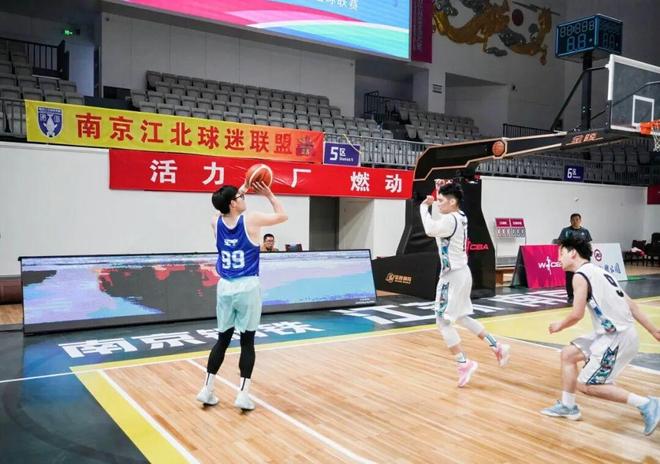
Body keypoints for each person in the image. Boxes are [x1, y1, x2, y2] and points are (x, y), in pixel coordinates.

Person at [540, 237, 659, 435]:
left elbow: (576, 314)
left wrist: (559, 325)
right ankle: (568, 406)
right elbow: (631, 305)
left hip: (617, 337)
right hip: (611, 332)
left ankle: (647, 404)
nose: (558, 259)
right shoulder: (601, 272)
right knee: (568, 355)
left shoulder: (580, 276)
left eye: (561, 253)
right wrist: (653, 331)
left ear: (573, 253)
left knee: (587, 385)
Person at [196, 181, 288, 411]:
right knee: (247, 341)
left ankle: (206, 389)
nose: (244, 198)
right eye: (240, 197)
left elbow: (221, 210)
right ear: (232, 203)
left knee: (223, 339)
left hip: (225, 287)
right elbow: (282, 216)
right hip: (247, 286)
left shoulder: (215, 222)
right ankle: (243, 395)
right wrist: (269, 194)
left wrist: (240, 191)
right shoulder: (251, 219)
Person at [420, 182, 510, 387]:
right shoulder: (461, 216)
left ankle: (463, 363)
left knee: (442, 320)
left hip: (452, 276)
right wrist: (439, 192)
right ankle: (497, 346)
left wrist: (424, 206)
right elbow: (440, 223)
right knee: (461, 316)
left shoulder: (449, 219)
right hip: (462, 272)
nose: (438, 204)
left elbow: (430, 228)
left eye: (441, 200)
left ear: (452, 202)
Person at [557, 213, 592, 304]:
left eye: (577, 219)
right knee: (570, 277)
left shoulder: (585, 231)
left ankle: (587, 295)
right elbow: (560, 243)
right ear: (570, 221)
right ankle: (571, 296)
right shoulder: (565, 231)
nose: (575, 221)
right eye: (573, 219)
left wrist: (588, 256)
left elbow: (588, 244)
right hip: (570, 258)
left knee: (585, 276)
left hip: (582, 258)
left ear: (580, 220)